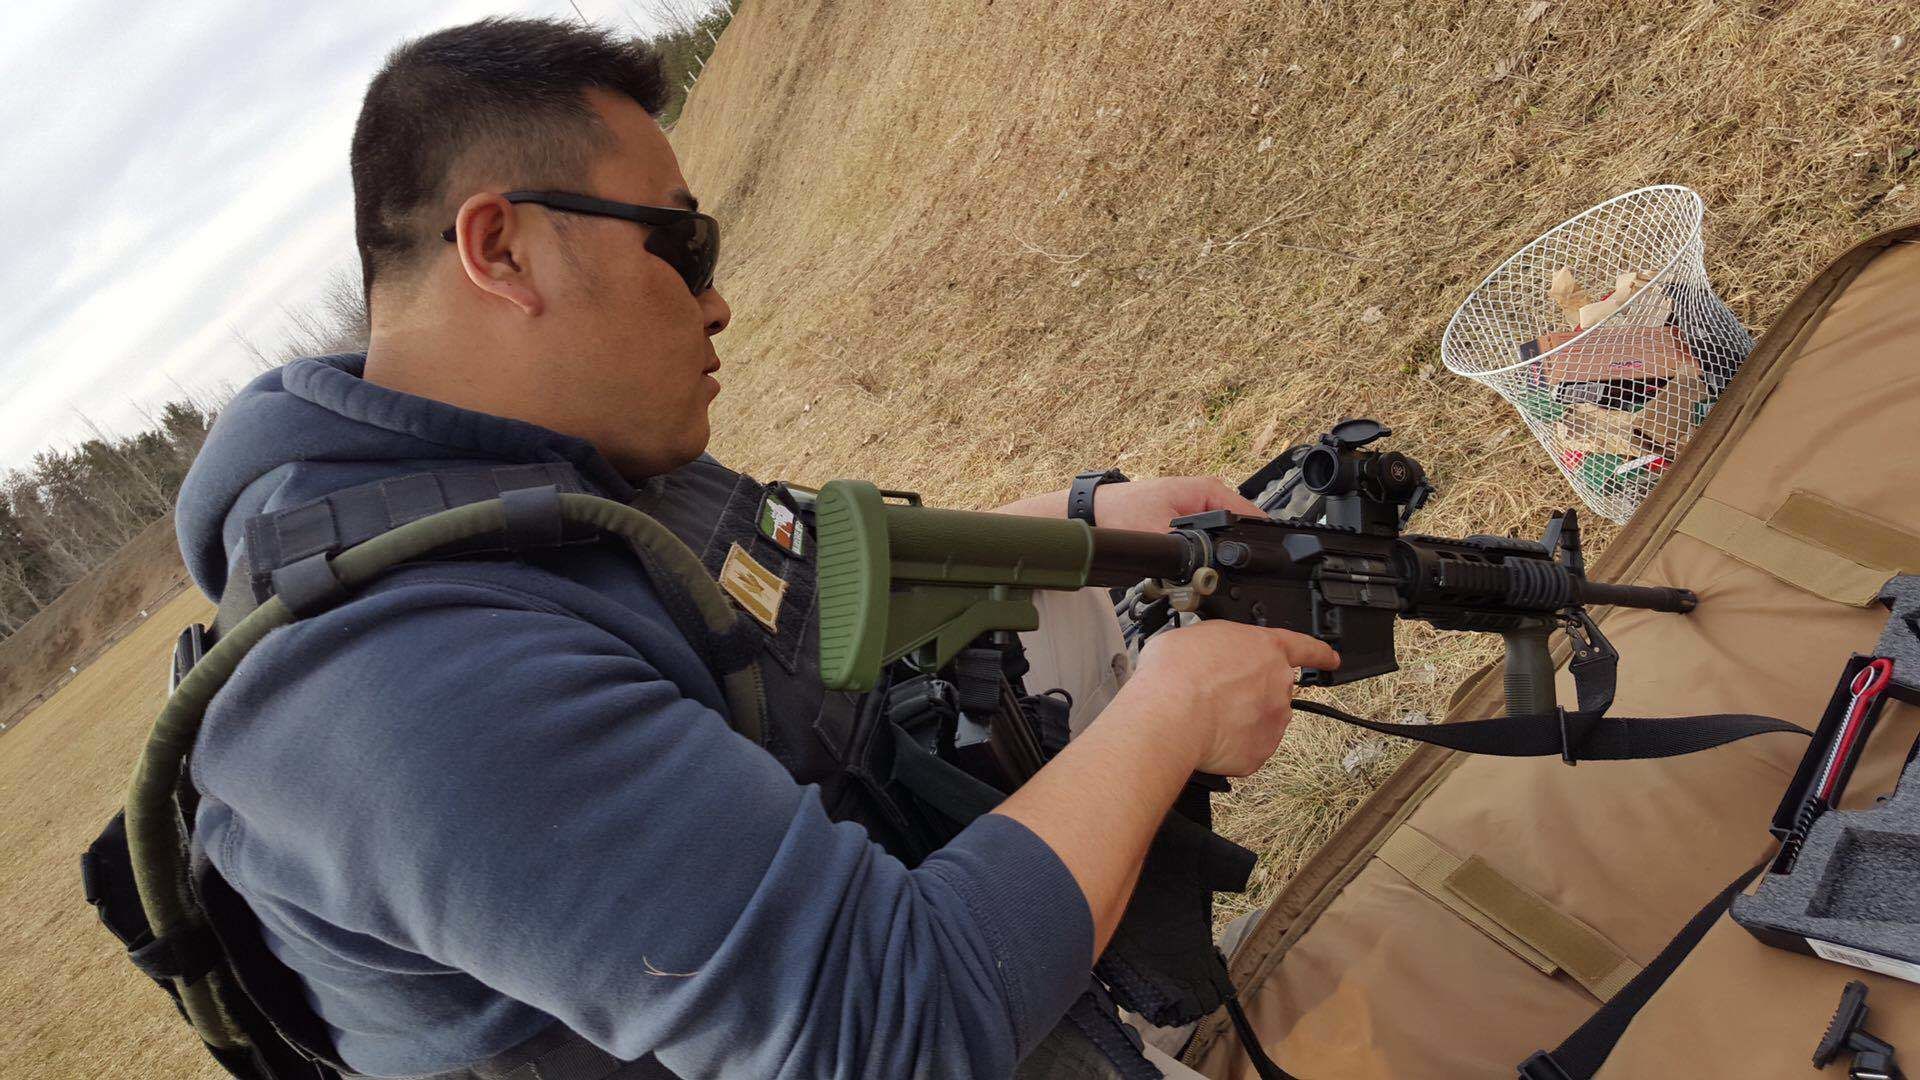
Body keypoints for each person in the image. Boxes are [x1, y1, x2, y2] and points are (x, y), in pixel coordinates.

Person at [175, 17, 1337, 1079]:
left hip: (832, 935)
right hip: (859, 1029)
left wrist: (1085, 528)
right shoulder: (402, 688)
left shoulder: (540, 466)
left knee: (1059, 610)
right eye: (682, 243)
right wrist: (1173, 714)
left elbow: (824, 586)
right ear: (504, 249)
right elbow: (895, 1027)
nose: (717, 300)